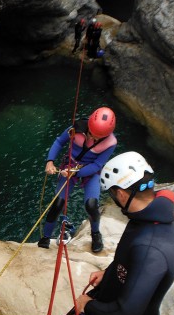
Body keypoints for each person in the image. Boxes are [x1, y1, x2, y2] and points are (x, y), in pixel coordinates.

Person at [50, 151, 174, 315]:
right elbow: (128, 259)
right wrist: (109, 272)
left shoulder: (151, 247)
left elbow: (123, 314)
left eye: (112, 193)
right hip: (115, 299)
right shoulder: (148, 217)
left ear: (121, 193)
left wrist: (88, 304)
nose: (113, 198)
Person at [38, 107, 117, 252]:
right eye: (92, 134)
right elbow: (59, 142)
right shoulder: (76, 128)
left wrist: (75, 173)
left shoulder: (111, 142)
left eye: (99, 137)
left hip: (90, 171)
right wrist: (50, 161)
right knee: (58, 204)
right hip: (70, 164)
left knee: (92, 205)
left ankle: (95, 234)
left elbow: (97, 165)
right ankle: (45, 237)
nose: (93, 138)